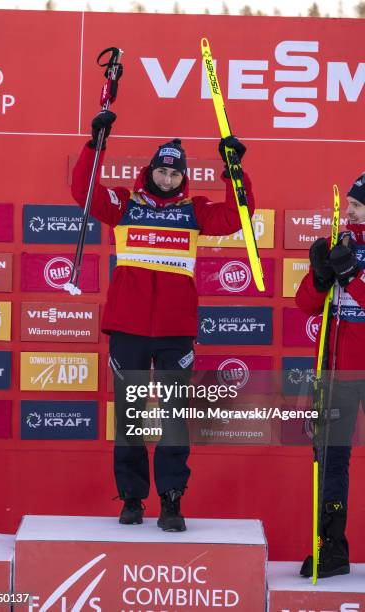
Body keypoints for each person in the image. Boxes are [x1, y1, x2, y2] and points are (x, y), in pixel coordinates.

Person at [71, 109, 255, 531]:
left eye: (174, 174)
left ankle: (172, 500)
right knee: (131, 414)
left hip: (175, 331)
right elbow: (82, 189)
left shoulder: (195, 209)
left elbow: (238, 215)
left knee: (174, 415)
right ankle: (133, 498)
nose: (167, 179)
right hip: (129, 328)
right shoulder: (124, 203)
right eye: (161, 171)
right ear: (150, 171)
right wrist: (93, 144)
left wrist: (234, 171)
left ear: (183, 177)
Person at [296, 172, 365, 578]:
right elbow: (305, 305)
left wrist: (353, 277)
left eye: (357, 206)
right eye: (350, 205)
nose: (350, 211)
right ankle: (332, 548)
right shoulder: (342, 244)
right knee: (332, 462)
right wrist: (320, 276)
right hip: (338, 370)